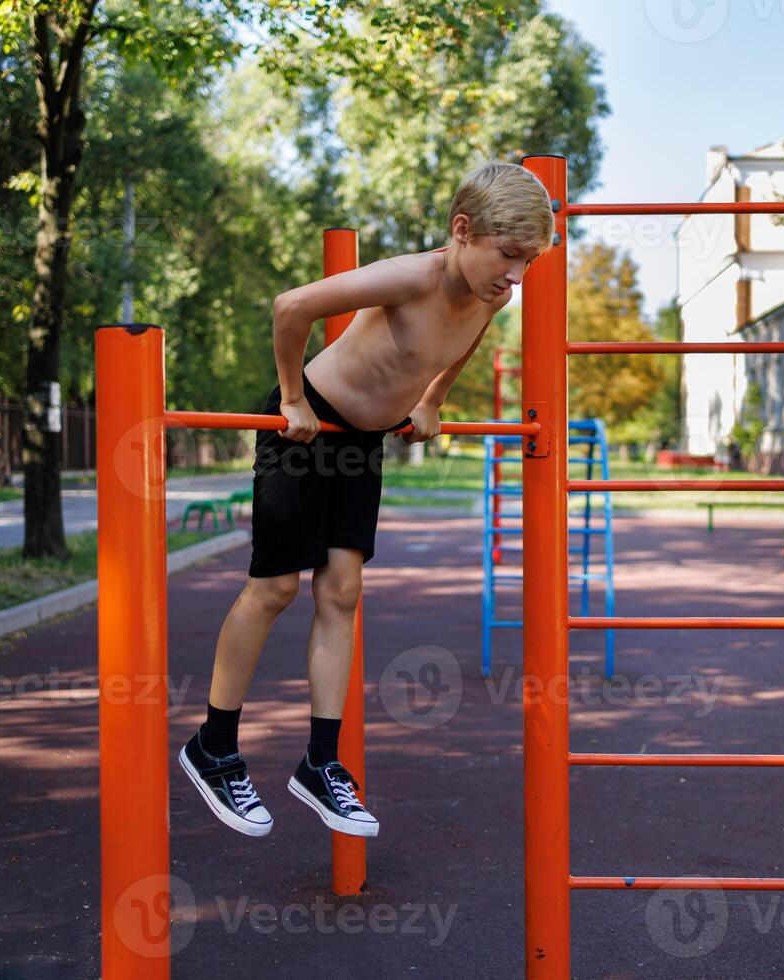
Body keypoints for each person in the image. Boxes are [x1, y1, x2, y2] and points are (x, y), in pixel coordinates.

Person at [178, 162, 555, 838]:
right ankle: (213, 746)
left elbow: (463, 343)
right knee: (274, 588)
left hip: (365, 439)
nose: (517, 276)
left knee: (343, 590)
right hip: (311, 422)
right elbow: (292, 306)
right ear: (462, 232)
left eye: (527, 262)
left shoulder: (492, 293)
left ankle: (321, 762)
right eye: (509, 256)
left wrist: (434, 399)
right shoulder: (410, 276)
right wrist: (291, 395)